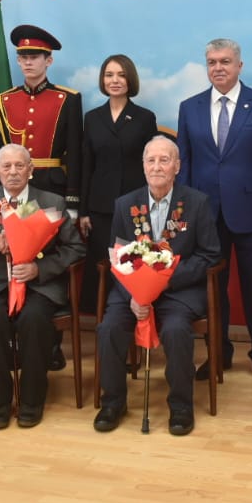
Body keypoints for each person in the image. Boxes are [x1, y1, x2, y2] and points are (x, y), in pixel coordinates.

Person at [177, 38, 252, 387]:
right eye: (212, 62)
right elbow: (185, 165)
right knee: (212, 288)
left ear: (239, 65)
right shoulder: (189, 108)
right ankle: (217, 353)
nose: (218, 68)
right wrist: (186, 214)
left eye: (225, 61)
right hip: (206, 216)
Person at [93, 136, 221, 436]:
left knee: (176, 331)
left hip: (178, 291)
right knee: (109, 328)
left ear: (177, 166)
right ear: (143, 166)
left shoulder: (196, 202)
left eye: (164, 160)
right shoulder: (125, 204)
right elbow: (117, 255)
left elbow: (210, 255)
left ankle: (181, 406)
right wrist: (136, 293)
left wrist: (164, 281)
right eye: (151, 160)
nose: (157, 166)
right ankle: (113, 402)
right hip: (131, 293)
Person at [0, 144, 85, 429]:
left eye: (20, 165)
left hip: (39, 286)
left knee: (34, 320)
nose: (13, 172)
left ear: (31, 170)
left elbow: (75, 249)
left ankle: (32, 400)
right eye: (7, 166)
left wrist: (40, 268)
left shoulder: (50, 201)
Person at [0, 24, 83, 371]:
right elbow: (2, 153)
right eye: (23, 57)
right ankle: (14, 337)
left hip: (51, 189)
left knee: (47, 261)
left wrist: (72, 202)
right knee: (15, 257)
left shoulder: (67, 99)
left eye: (35, 57)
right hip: (14, 189)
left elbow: (75, 152)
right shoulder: (4, 101)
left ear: (48, 60)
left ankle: (51, 343)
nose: (28, 62)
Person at [77, 54, 158, 315]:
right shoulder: (92, 118)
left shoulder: (145, 117)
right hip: (100, 207)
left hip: (135, 206)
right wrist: (83, 211)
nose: (115, 80)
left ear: (130, 79)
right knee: (102, 264)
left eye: (121, 75)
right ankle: (101, 319)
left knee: (133, 264)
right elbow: (86, 165)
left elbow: (152, 165)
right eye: (109, 75)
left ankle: (132, 315)